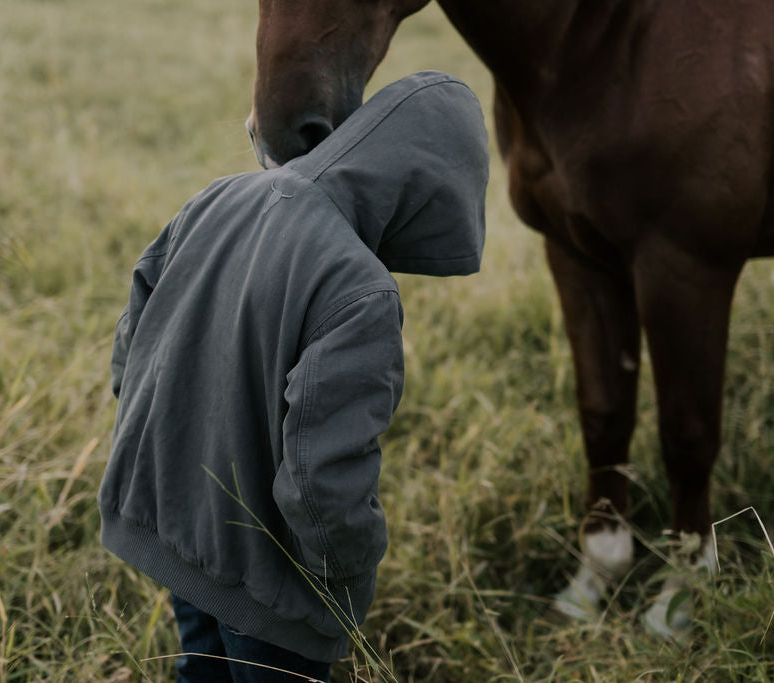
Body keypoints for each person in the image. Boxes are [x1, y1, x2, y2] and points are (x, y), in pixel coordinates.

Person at [98, 71, 489, 682]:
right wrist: (342, 589)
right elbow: (320, 478)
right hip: (270, 591)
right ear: (425, 192)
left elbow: (134, 339)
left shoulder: (218, 196)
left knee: (197, 671)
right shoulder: (360, 290)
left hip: (173, 534)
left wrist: (163, 467)